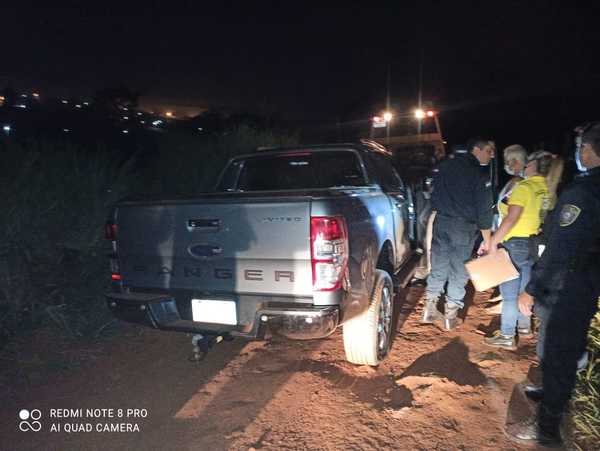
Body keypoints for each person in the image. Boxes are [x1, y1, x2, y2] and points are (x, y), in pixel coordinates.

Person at [510, 123, 600, 447]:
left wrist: (532, 287)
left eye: (582, 148)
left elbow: (561, 249)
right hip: (586, 283)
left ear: (588, 151)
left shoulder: (582, 193)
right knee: (559, 348)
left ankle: (546, 428)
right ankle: (549, 393)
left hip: (566, 286)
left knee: (560, 353)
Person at [482, 150, 557, 350]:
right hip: (531, 243)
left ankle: (507, 335)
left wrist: (493, 242)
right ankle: (524, 328)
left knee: (509, 294)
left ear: (532, 165)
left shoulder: (523, 187)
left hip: (514, 243)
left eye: (528, 163)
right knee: (524, 290)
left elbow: (511, 218)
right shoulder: (544, 189)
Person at [421, 138, 495, 330]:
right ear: (476, 150)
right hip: (463, 227)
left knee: (439, 264)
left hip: (441, 221)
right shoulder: (478, 173)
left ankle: (429, 307)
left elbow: (430, 193)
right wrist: (487, 240)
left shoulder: (443, 167)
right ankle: (450, 314)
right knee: (459, 270)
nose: (491, 155)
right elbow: (484, 209)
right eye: (488, 150)